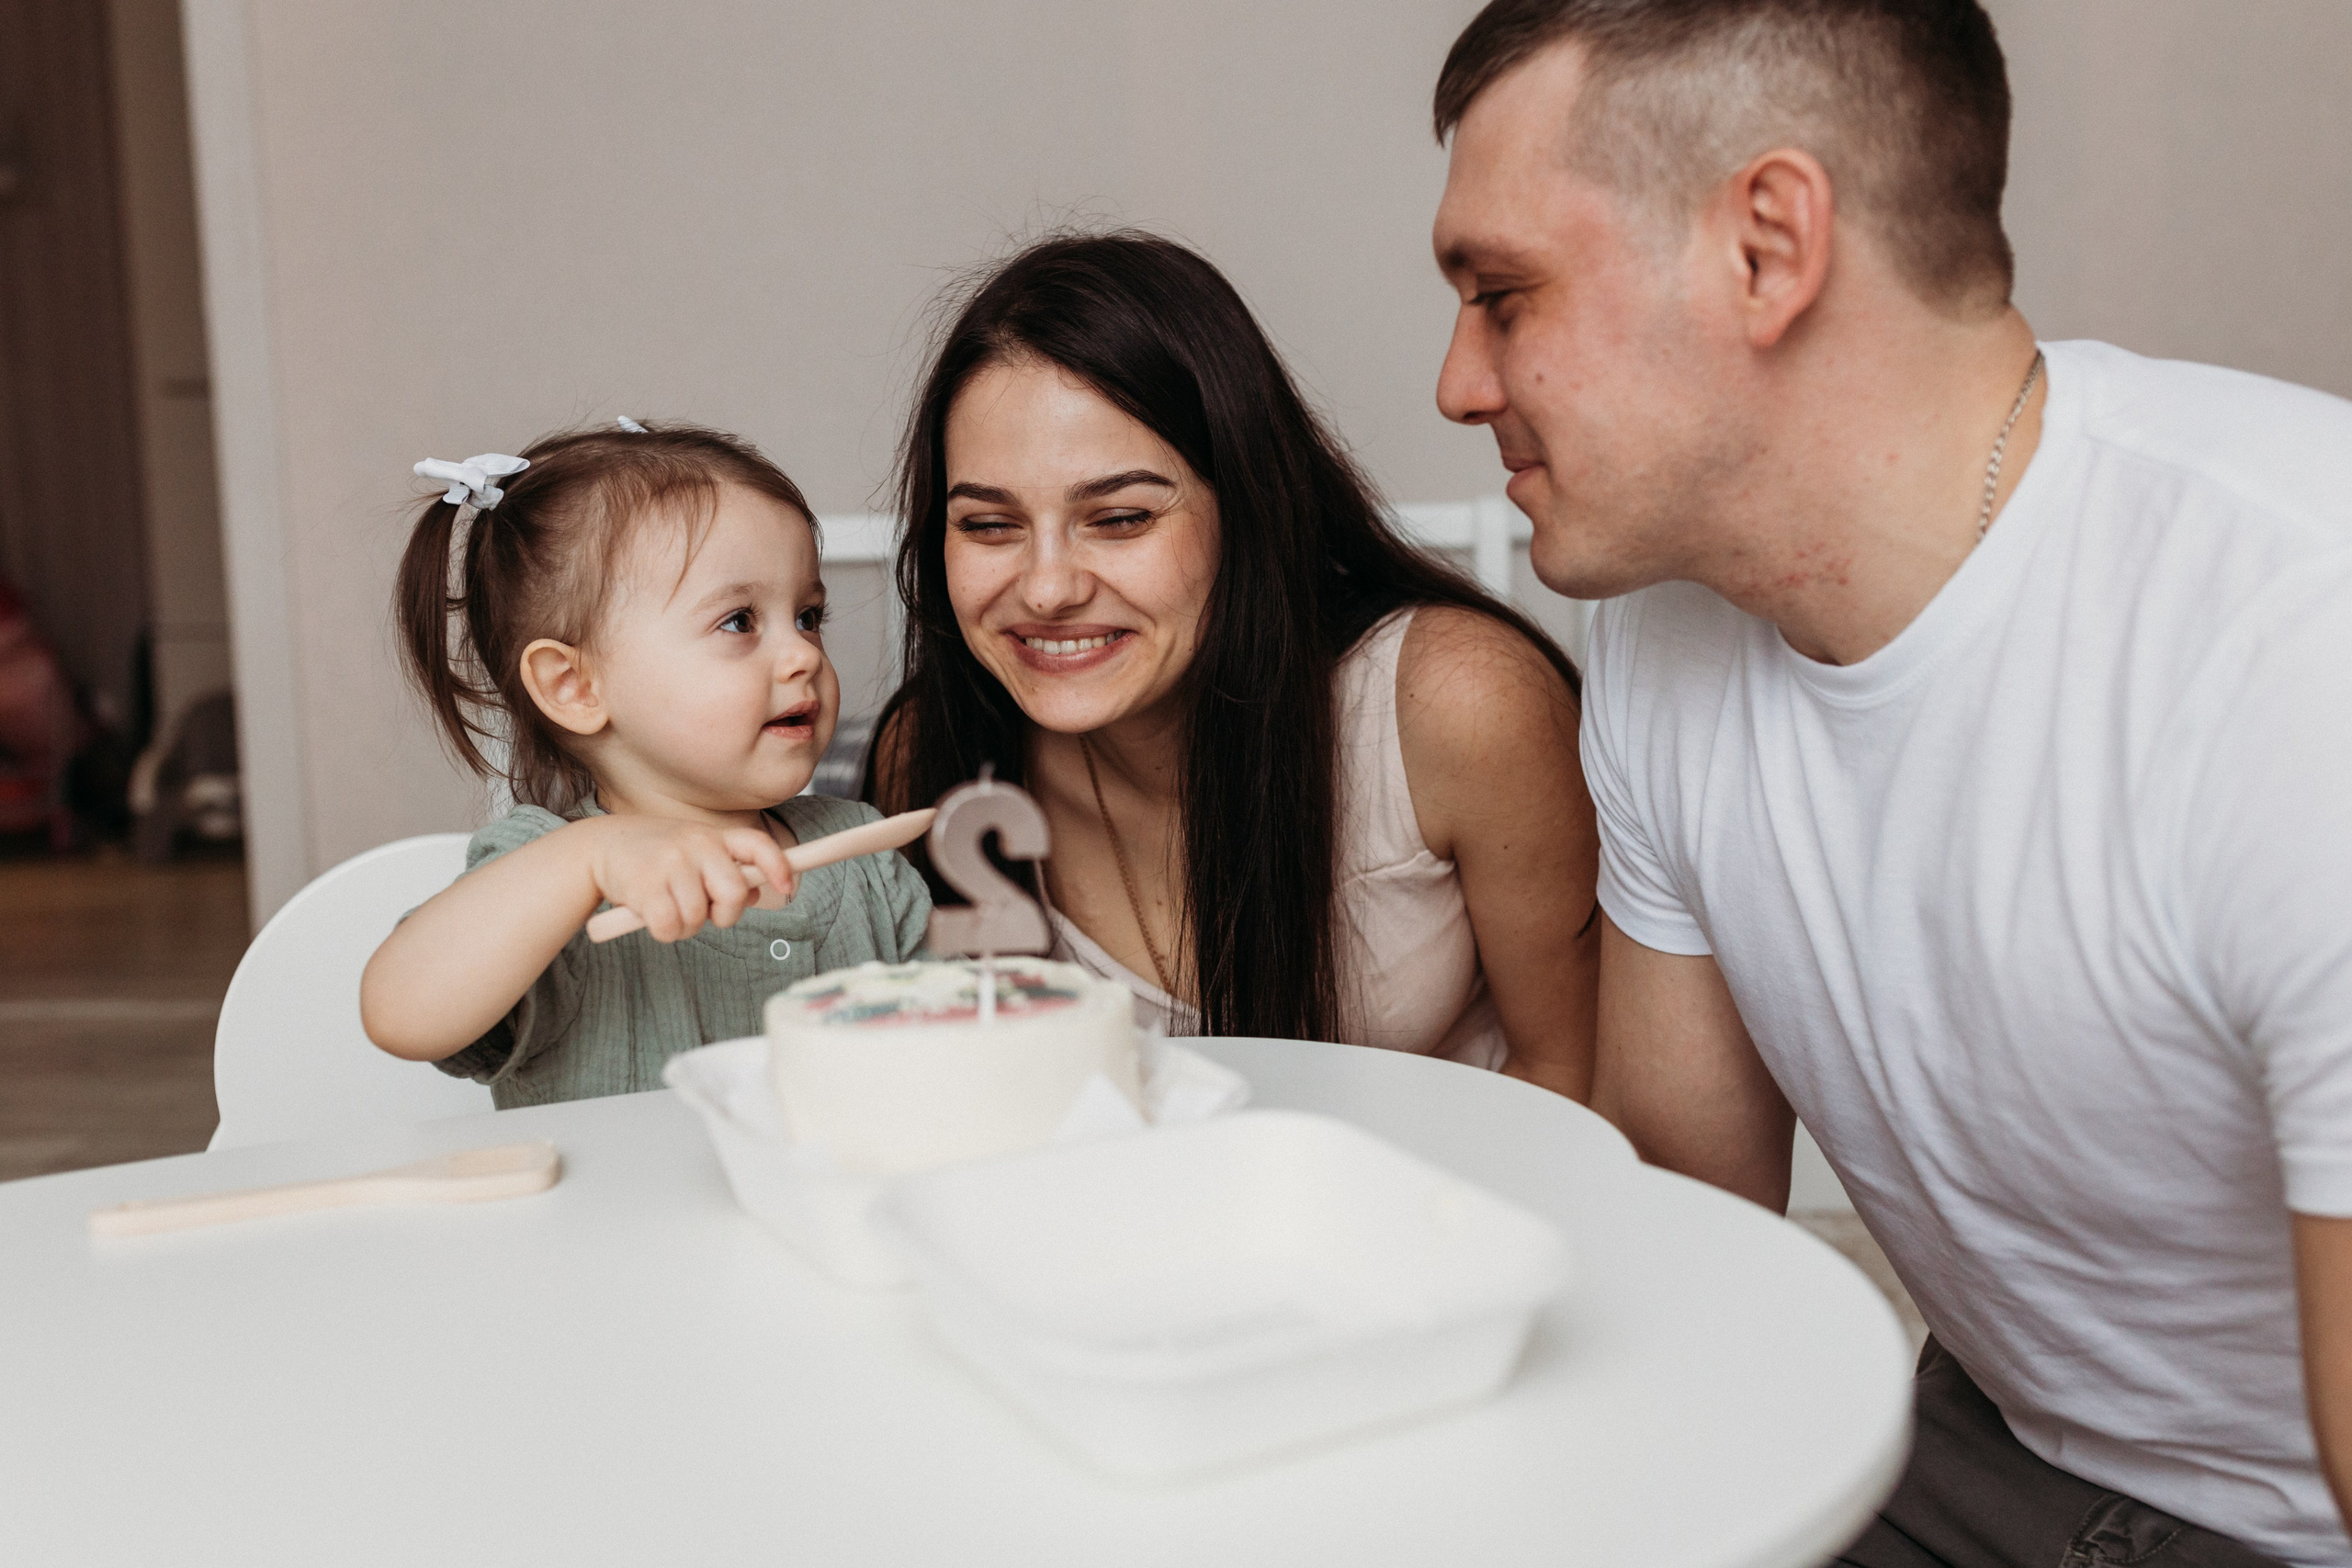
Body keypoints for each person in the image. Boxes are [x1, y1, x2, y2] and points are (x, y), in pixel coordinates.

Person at [1430, 2, 2352, 1564]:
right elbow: (1687, 1242)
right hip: (1961, 1444)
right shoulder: (1661, 632)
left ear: (1768, 245)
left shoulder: (2292, 647)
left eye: (1504, 294)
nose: (1459, 382)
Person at [865, 232, 1599, 1096]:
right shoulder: (935, 755)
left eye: (1122, 518)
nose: (1048, 587)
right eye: (989, 526)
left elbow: (1576, 1075)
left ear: (1244, 508)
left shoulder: (1458, 705)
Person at [361, 422, 930, 1108]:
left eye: (808, 616)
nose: (804, 654)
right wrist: (591, 857)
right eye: (739, 621)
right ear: (577, 687)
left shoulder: (862, 855)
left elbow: (950, 1058)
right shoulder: (552, 871)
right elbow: (399, 1012)